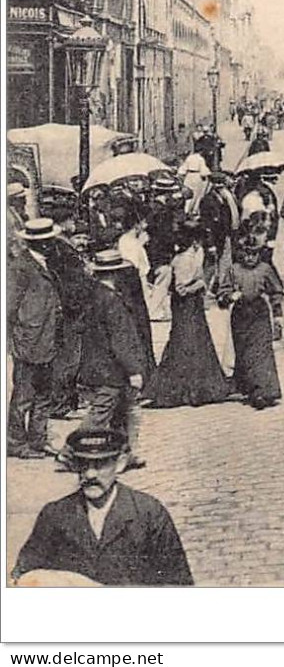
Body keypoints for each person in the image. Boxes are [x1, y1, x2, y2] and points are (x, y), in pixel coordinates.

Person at [10, 429, 193, 586]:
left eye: (100, 464)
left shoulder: (148, 513)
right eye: (83, 464)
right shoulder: (55, 515)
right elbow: (25, 574)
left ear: (120, 464)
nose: (90, 474)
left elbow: (178, 582)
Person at [145, 223, 232, 407]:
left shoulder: (189, 257)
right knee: (187, 341)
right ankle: (190, 388)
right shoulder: (183, 260)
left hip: (192, 306)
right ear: (194, 242)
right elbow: (182, 289)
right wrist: (199, 285)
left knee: (194, 340)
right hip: (186, 306)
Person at [76, 250, 149, 469]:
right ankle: (70, 452)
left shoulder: (93, 295)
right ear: (116, 273)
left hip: (99, 364)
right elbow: (121, 340)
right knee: (101, 413)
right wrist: (134, 370)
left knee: (124, 409)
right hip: (112, 369)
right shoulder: (112, 300)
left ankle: (125, 452)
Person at [8, 221, 62, 458]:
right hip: (28, 340)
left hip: (48, 338)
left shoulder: (46, 263)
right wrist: (12, 340)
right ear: (39, 242)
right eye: (48, 240)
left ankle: (38, 440)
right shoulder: (20, 267)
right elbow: (8, 306)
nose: (52, 244)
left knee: (44, 393)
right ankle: (16, 442)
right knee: (23, 396)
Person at [222, 239, 284, 410]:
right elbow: (222, 292)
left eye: (254, 254)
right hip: (241, 315)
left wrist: (278, 315)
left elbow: (277, 292)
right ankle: (248, 388)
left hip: (259, 313)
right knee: (244, 353)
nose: (250, 258)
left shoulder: (265, 269)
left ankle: (263, 391)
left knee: (261, 352)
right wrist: (229, 296)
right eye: (247, 254)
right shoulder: (234, 269)